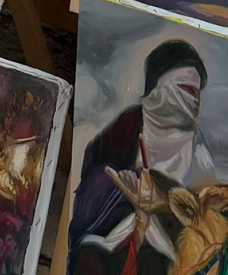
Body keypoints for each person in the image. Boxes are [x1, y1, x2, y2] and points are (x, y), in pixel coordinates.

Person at [68, 39, 216, 275]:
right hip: (115, 234)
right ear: (159, 84)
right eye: (186, 89)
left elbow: (202, 218)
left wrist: (163, 202)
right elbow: (90, 182)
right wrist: (117, 189)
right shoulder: (126, 128)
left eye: (197, 93)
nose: (194, 99)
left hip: (170, 249)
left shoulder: (199, 152)